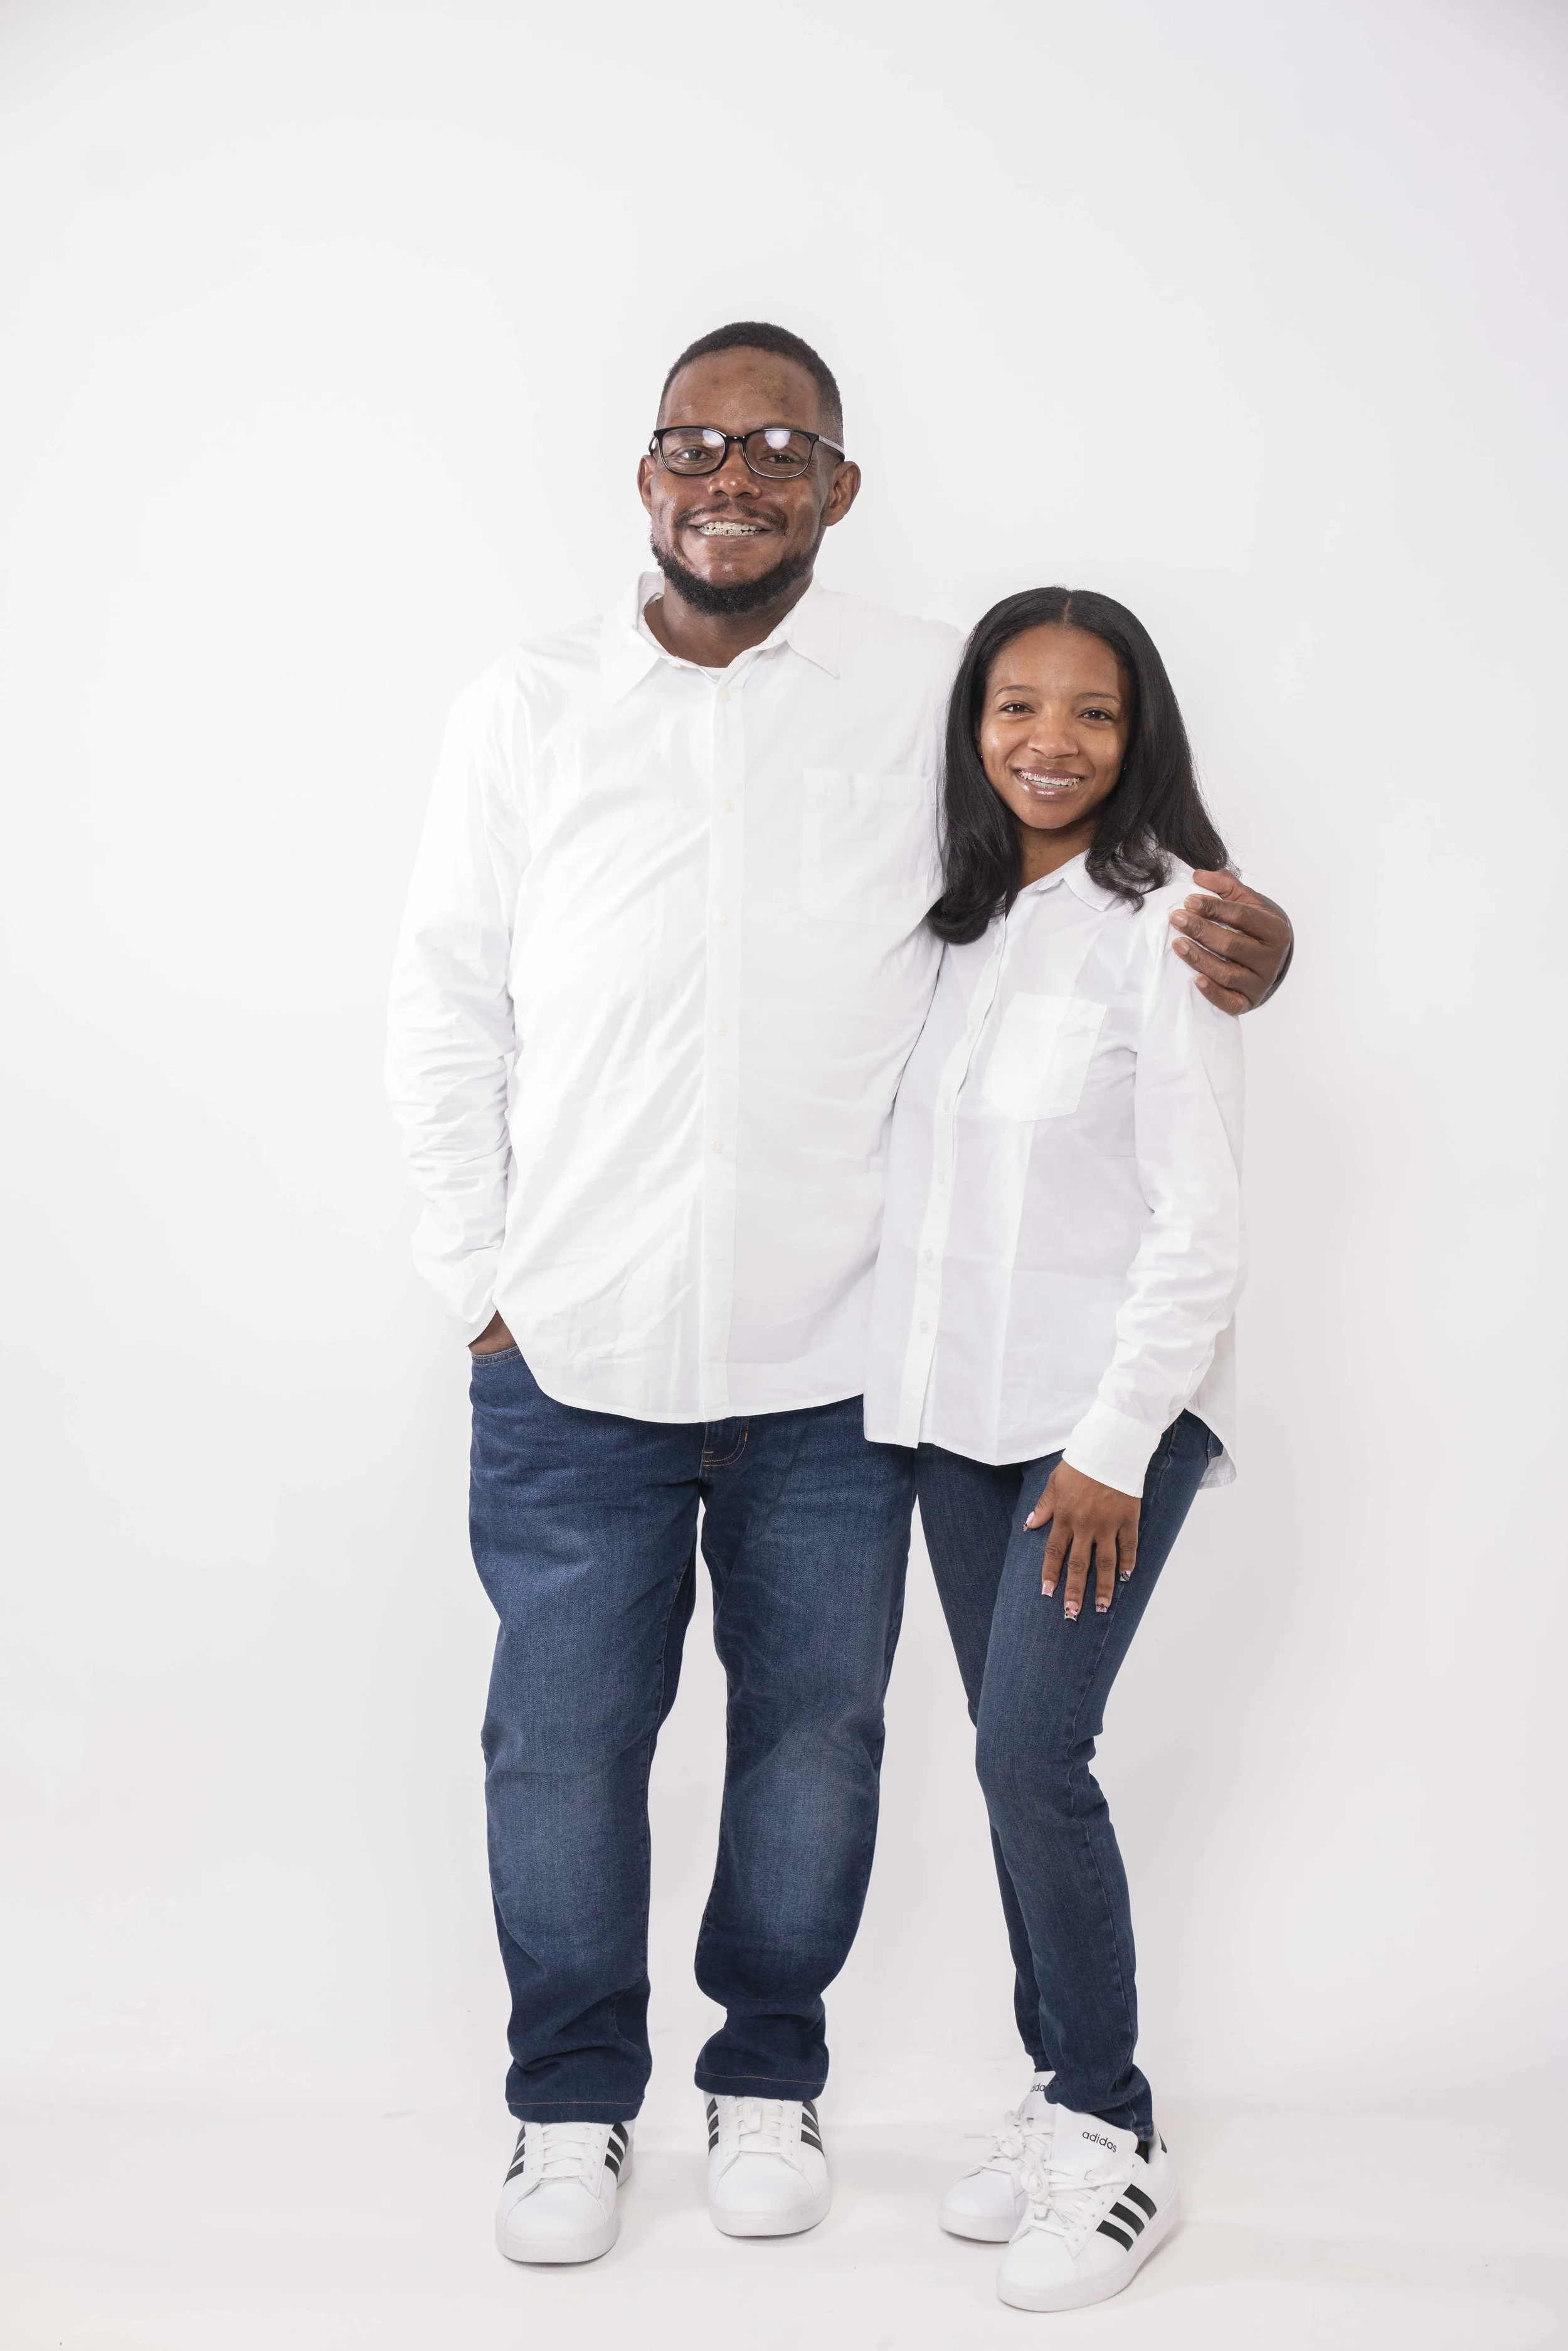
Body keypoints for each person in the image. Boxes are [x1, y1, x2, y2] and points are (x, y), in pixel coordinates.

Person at [384, 323, 1291, 2269]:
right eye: (696, 444)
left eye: (779, 447)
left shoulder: (916, 692)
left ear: (839, 488)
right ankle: (568, 2110)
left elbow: (1078, 847)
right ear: (644, 473)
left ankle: (766, 2069)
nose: (734, 476)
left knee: (817, 1740)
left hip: (833, 1366)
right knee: (558, 1744)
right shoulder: (527, 705)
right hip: (574, 1351)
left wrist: (1243, 931)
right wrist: (476, 1279)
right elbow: (443, 1002)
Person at [865, 586, 1247, 2311]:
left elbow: (1198, 1224)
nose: (1048, 741)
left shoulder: (1167, 924)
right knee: (1006, 1760)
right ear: (969, 728)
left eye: (1088, 713)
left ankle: (1112, 2129)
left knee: (1033, 1758)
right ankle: (1053, 2094)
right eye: (1013, 706)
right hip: (954, 1424)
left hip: (1098, 1436)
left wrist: (1108, 1447)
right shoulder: (939, 926)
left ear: (1135, 733)